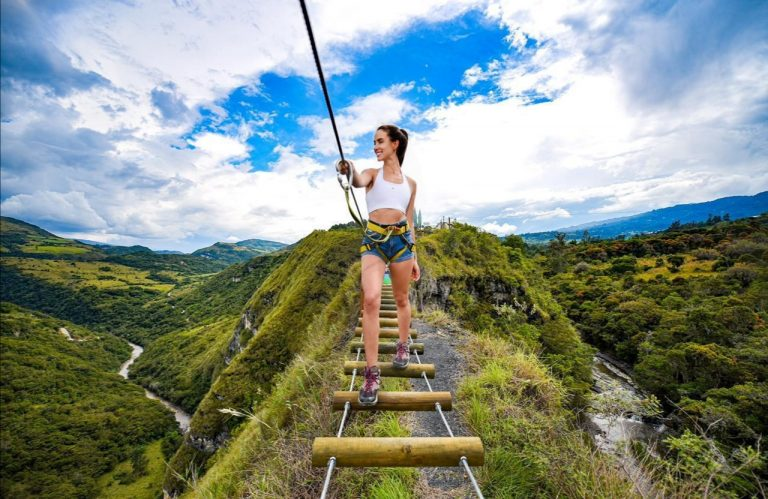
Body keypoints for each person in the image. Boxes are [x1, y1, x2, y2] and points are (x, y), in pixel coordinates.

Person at [336, 124, 420, 406]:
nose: (375, 146)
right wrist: (348, 168)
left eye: (380, 141)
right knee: (371, 299)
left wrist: (415, 256)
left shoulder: (411, 184)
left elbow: (410, 221)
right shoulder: (372, 174)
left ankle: (402, 345)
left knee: (401, 298)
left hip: (402, 244)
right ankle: (371, 373)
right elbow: (357, 180)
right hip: (374, 242)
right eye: (374, 142)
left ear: (395, 144)